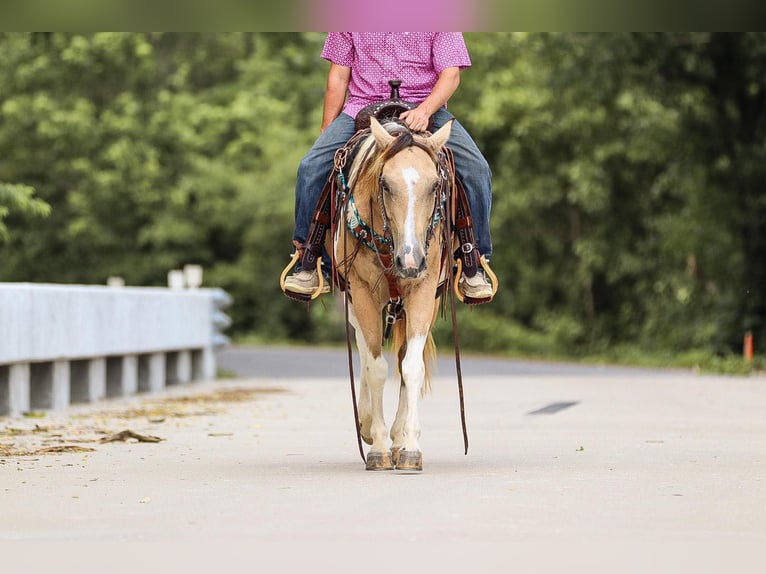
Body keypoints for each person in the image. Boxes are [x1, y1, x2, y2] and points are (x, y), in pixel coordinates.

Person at [284, 32, 493, 300]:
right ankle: (308, 260)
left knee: (477, 169)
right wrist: (326, 131)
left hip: (422, 107)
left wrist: (425, 110)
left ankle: (474, 261)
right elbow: (338, 77)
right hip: (362, 107)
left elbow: (451, 75)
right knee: (311, 167)